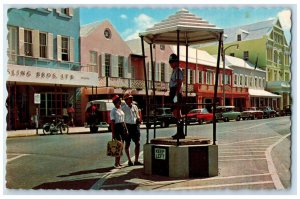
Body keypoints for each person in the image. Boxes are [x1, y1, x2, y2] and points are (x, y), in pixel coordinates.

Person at [122, 93, 143, 166]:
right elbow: (122, 119)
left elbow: (137, 116)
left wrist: (139, 120)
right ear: (126, 100)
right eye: (129, 98)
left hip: (135, 126)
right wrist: (125, 128)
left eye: (131, 98)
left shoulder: (135, 107)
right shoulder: (123, 108)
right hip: (127, 126)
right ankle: (129, 160)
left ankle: (136, 160)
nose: (131, 99)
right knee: (127, 144)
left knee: (138, 143)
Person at [168, 53, 185, 139]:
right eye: (170, 62)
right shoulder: (174, 70)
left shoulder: (178, 70)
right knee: (176, 113)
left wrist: (176, 95)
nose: (170, 63)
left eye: (172, 62)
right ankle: (179, 131)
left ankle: (180, 132)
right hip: (173, 91)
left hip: (176, 92)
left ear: (176, 62)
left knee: (177, 112)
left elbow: (179, 83)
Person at [110, 95, 128, 168]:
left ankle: (119, 162)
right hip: (117, 128)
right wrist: (113, 133)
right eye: (118, 101)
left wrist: (126, 129)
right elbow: (112, 123)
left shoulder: (120, 109)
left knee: (121, 146)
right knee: (118, 146)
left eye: (120, 101)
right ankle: (116, 163)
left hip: (122, 128)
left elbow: (123, 121)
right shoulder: (113, 111)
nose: (120, 103)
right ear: (115, 102)